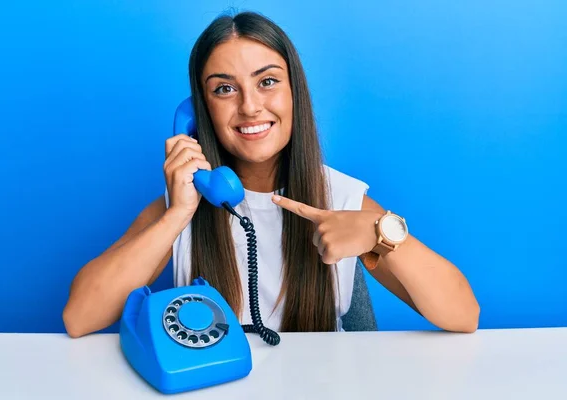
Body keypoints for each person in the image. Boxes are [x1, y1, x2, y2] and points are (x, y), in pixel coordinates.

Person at [62, 11, 479, 338]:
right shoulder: (185, 204)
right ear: (200, 111)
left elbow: (463, 315)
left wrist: (377, 233)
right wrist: (177, 215)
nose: (249, 107)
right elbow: (80, 317)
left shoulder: (340, 195)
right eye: (225, 89)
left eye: (267, 82)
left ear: (294, 92)